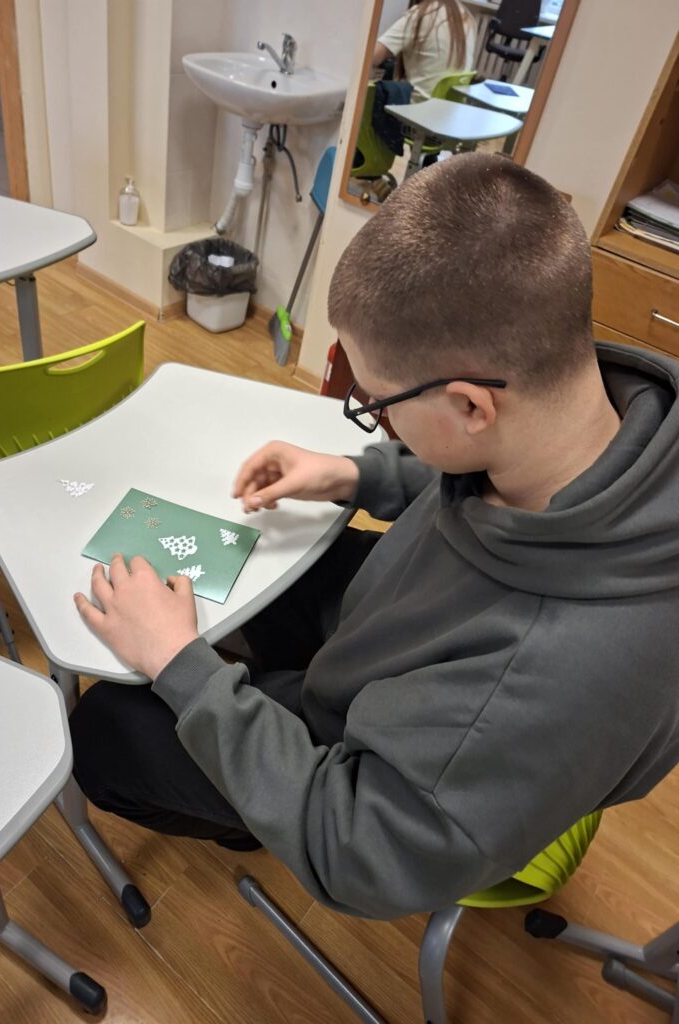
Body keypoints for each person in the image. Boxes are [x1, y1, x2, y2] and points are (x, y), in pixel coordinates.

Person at [69, 153, 679, 918]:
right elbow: (481, 478)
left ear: (470, 406)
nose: (377, 418)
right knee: (256, 553)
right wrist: (354, 474)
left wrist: (179, 666)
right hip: (386, 643)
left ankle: (246, 825)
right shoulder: (589, 426)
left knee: (102, 735)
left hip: (360, 771)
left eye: (379, 404)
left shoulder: (551, 673)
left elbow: (356, 853)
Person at [374, 0, 477, 102]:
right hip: (447, 109)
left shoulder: (421, 14)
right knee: (390, 68)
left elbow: (371, 57)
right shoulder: (467, 17)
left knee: (378, 89)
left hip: (416, 106)